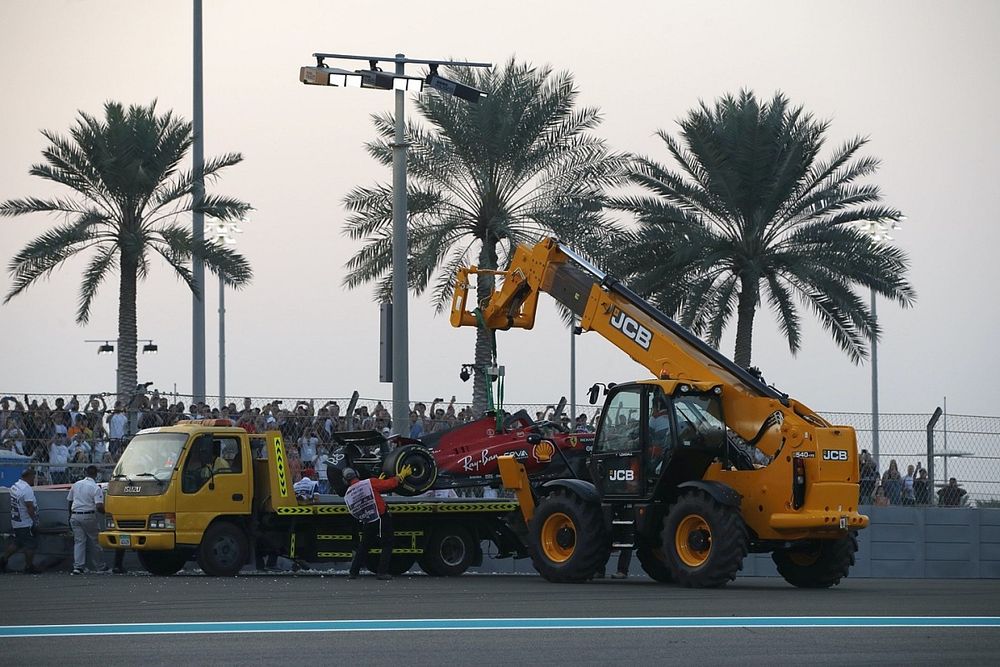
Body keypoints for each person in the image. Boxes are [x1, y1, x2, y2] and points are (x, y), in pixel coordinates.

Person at [344, 464, 413, 580]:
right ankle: (382, 572)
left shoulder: (349, 493)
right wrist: (400, 476)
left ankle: (353, 572)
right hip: (381, 516)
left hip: (368, 519)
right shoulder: (369, 483)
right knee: (387, 542)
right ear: (357, 474)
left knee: (364, 545)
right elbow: (389, 484)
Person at [1, 468, 42, 574]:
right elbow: (29, 507)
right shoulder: (26, 489)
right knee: (30, 544)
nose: (34, 479)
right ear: (29, 477)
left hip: (16, 520)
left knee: (18, 542)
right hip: (25, 522)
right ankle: (29, 566)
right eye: (33, 477)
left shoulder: (15, 486)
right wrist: (35, 521)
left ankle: (2, 561)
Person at [67, 464, 106, 574]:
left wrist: (70, 515)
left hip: (75, 514)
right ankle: (100, 566)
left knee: (79, 541)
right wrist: (107, 513)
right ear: (96, 474)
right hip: (88, 515)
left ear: (85, 473)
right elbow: (99, 506)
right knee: (95, 541)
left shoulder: (76, 484)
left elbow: (69, 500)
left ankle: (78, 567)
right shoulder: (95, 488)